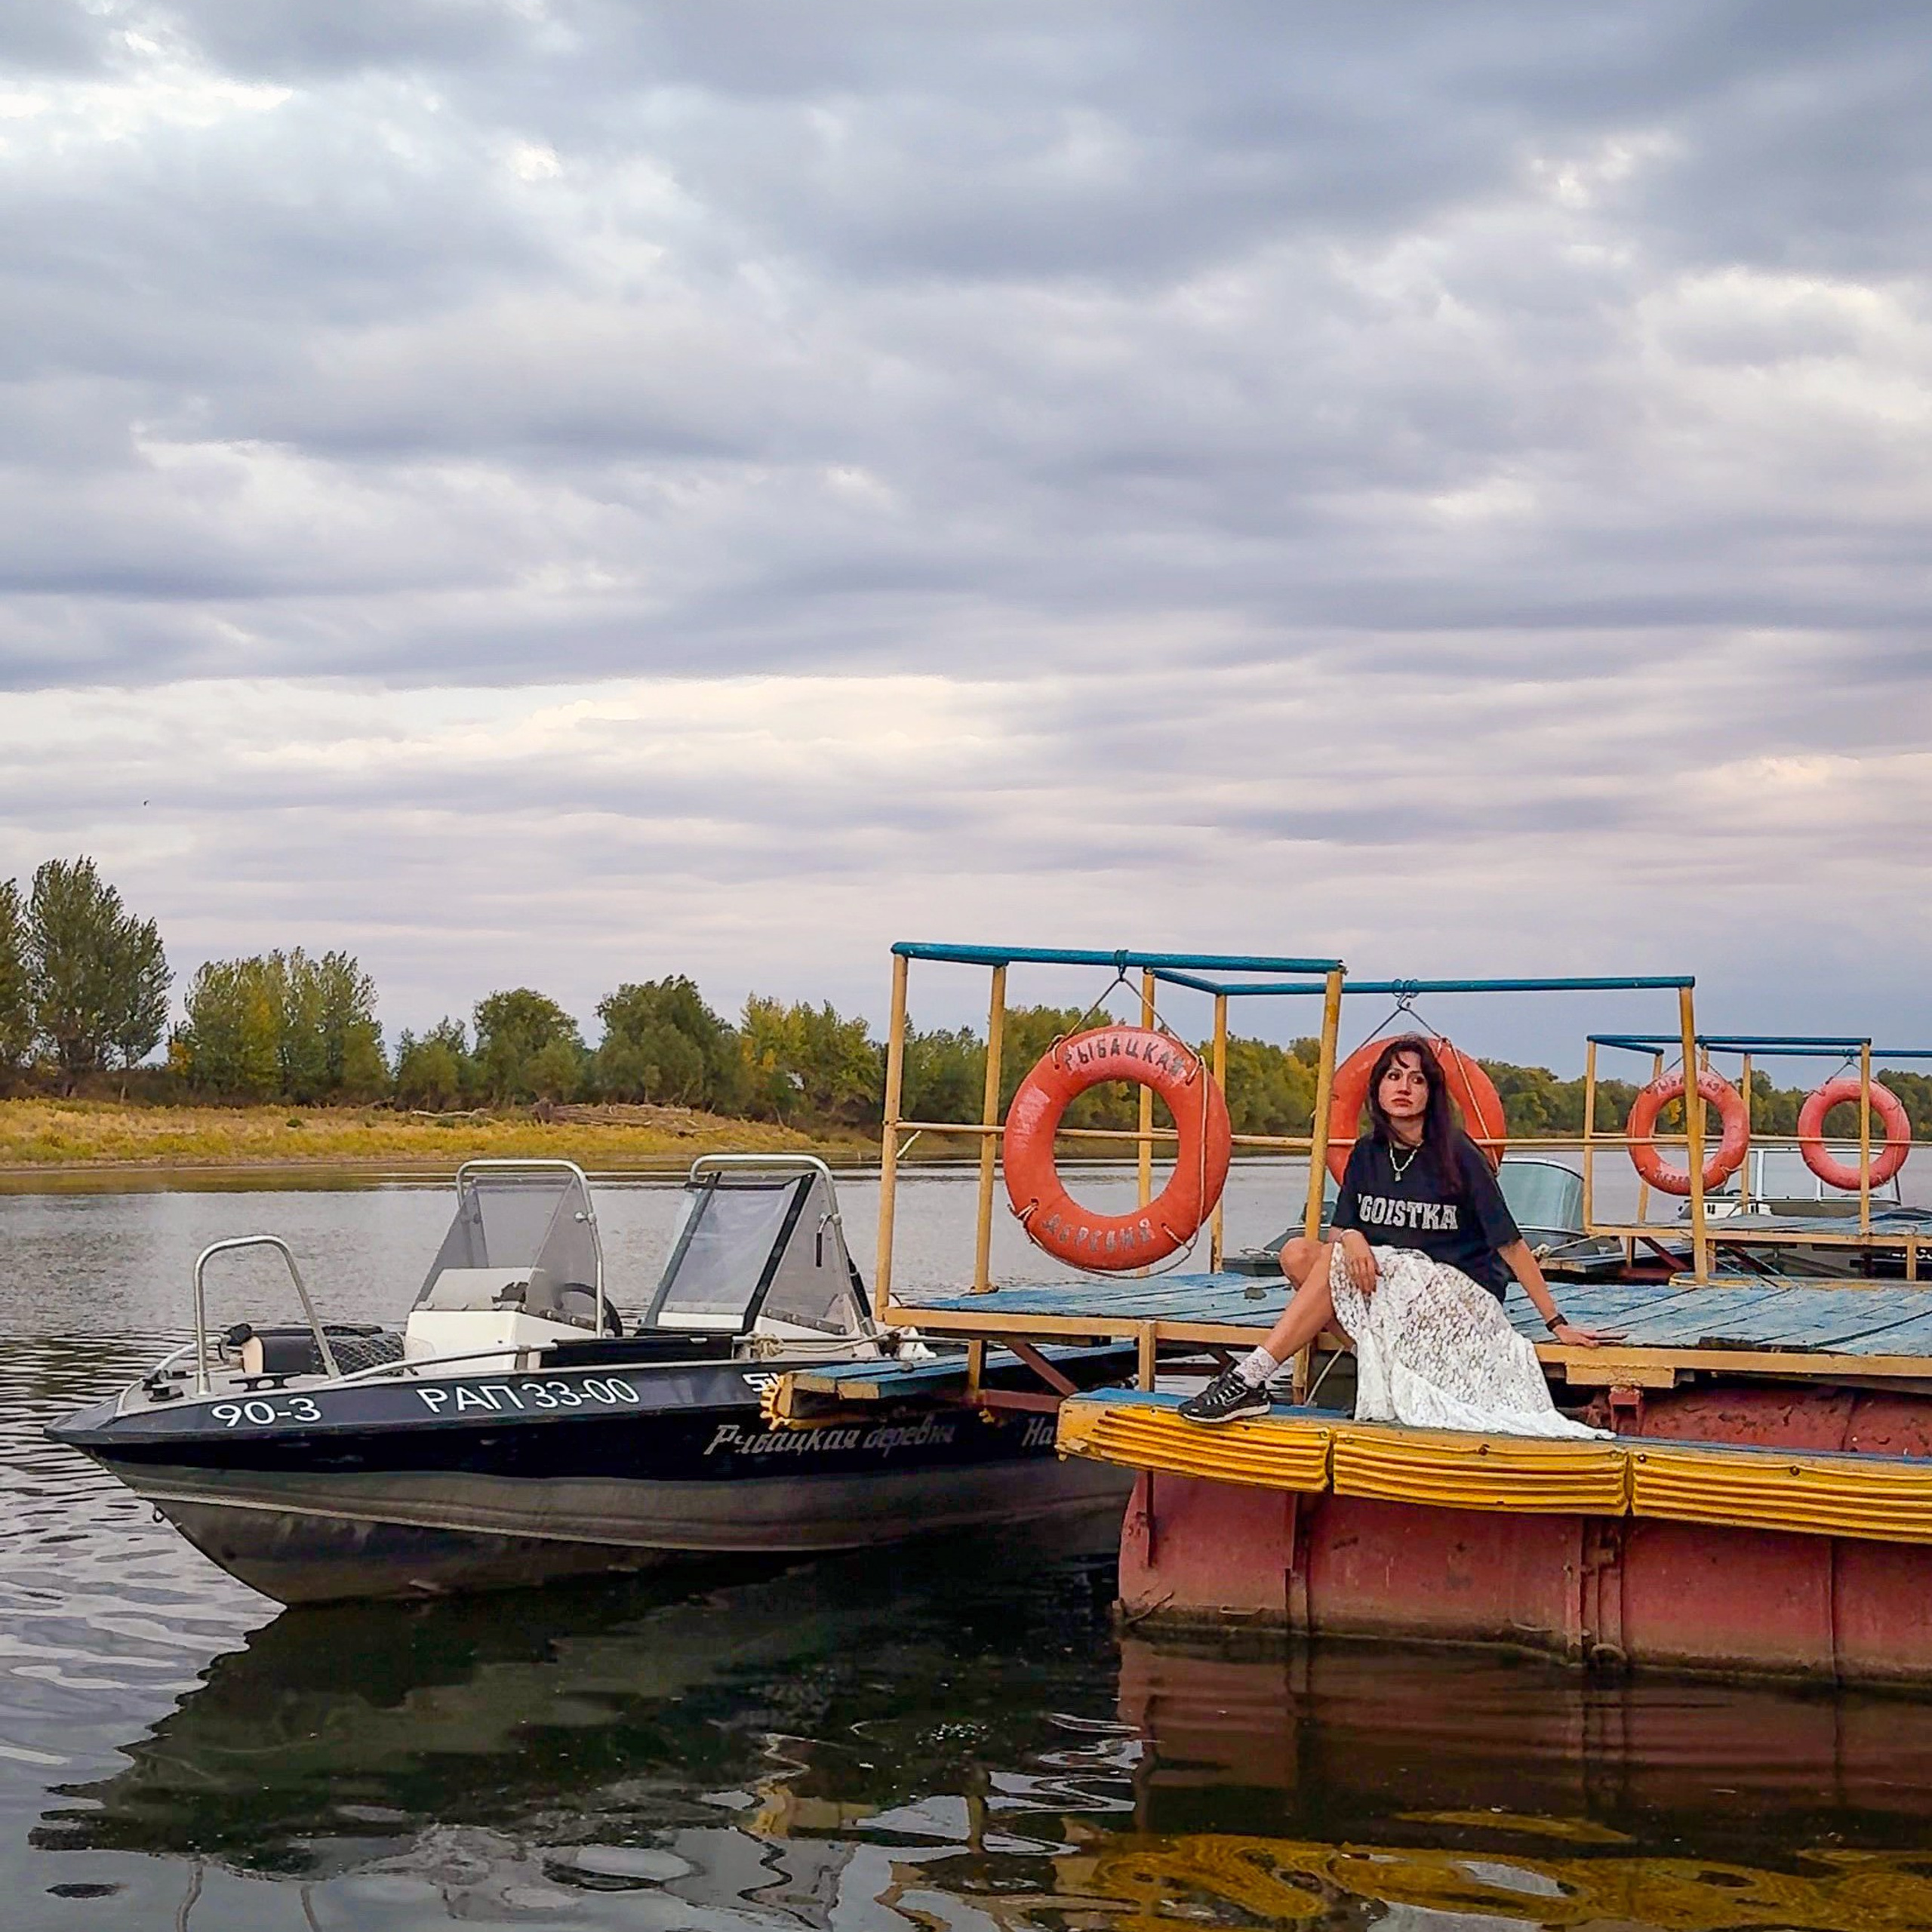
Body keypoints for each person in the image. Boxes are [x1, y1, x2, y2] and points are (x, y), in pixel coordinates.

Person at [1180, 1034, 1619, 1426]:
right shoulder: (1367, 1153)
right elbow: (1339, 1238)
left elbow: (1511, 1244)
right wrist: (1352, 1236)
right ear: (1378, 1088)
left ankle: (1249, 1376)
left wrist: (1557, 1322)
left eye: (1417, 1079)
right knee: (1297, 1254)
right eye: (1393, 1076)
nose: (1404, 1088)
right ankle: (1376, 1361)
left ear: (1432, 1092)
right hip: (1394, 1287)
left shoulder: (1458, 1154)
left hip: (1460, 1293)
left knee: (1369, 1260)